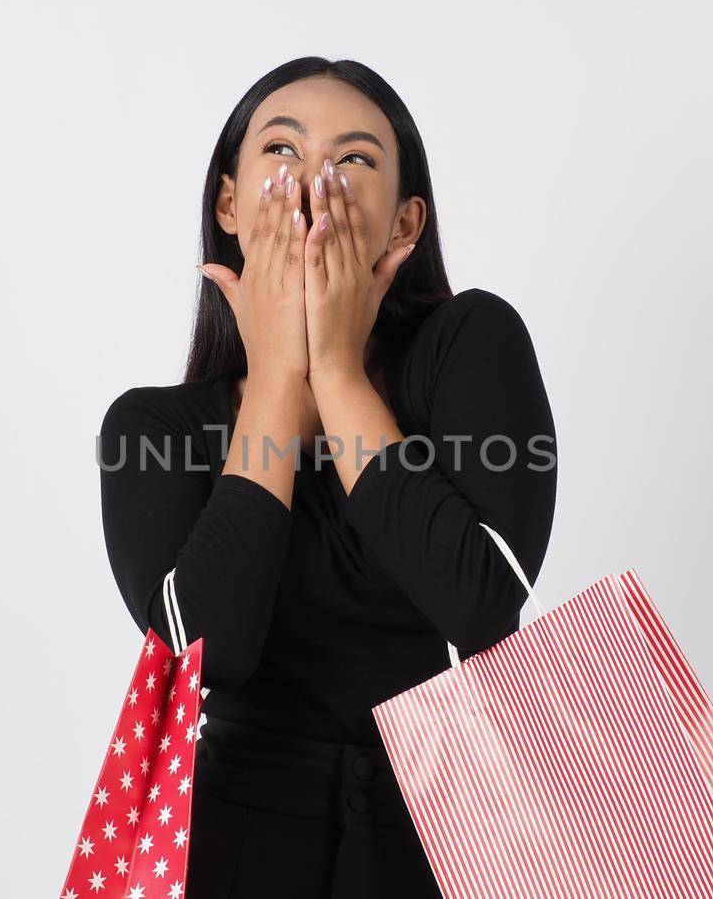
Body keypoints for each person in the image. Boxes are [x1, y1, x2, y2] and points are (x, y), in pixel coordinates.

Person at [96, 56, 557, 899]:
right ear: (229, 203)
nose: (315, 181)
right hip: (232, 846)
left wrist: (337, 370)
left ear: (405, 224)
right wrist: (277, 380)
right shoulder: (155, 427)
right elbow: (207, 653)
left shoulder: (469, 343)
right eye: (281, 150)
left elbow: (481, 604)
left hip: (443, 837)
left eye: (355, 160)